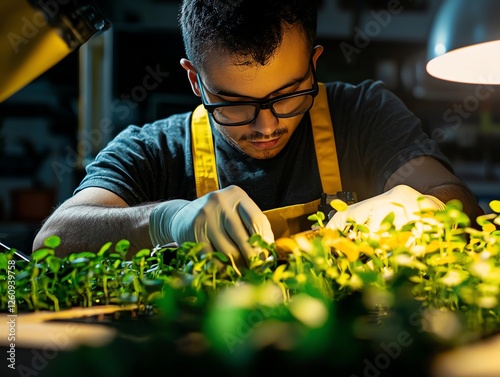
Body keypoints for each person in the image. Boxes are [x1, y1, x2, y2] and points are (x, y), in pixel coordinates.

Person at [33, 0, 481, 267]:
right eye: (235, 104)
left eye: (288, 96)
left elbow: (460, 204)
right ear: (195, 81)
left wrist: (419, 205)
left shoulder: (364, 113)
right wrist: (163, 222)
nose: (266, 125)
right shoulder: (153, 150)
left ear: (314, 64)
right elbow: (53, 240)